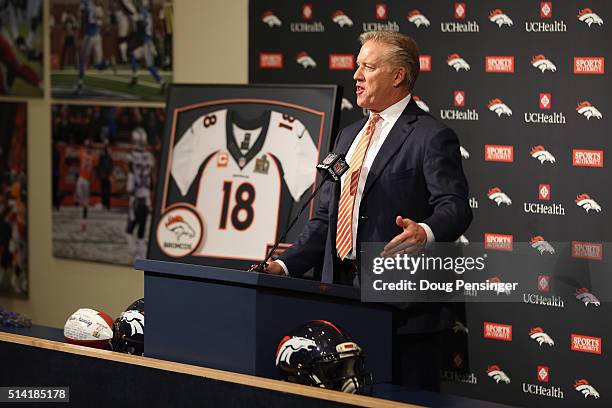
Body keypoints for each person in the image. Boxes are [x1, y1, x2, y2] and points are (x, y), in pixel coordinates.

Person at [262, 31, 472, 390]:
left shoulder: (430, 136)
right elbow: (326, 219)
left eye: (368, 67)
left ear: (397, 76)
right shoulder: (349, 136)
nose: (356, 75)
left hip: (402, 309)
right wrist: (283, 265)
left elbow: (455, 206)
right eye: (357, 66)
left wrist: (425, 231)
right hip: (340, 300)